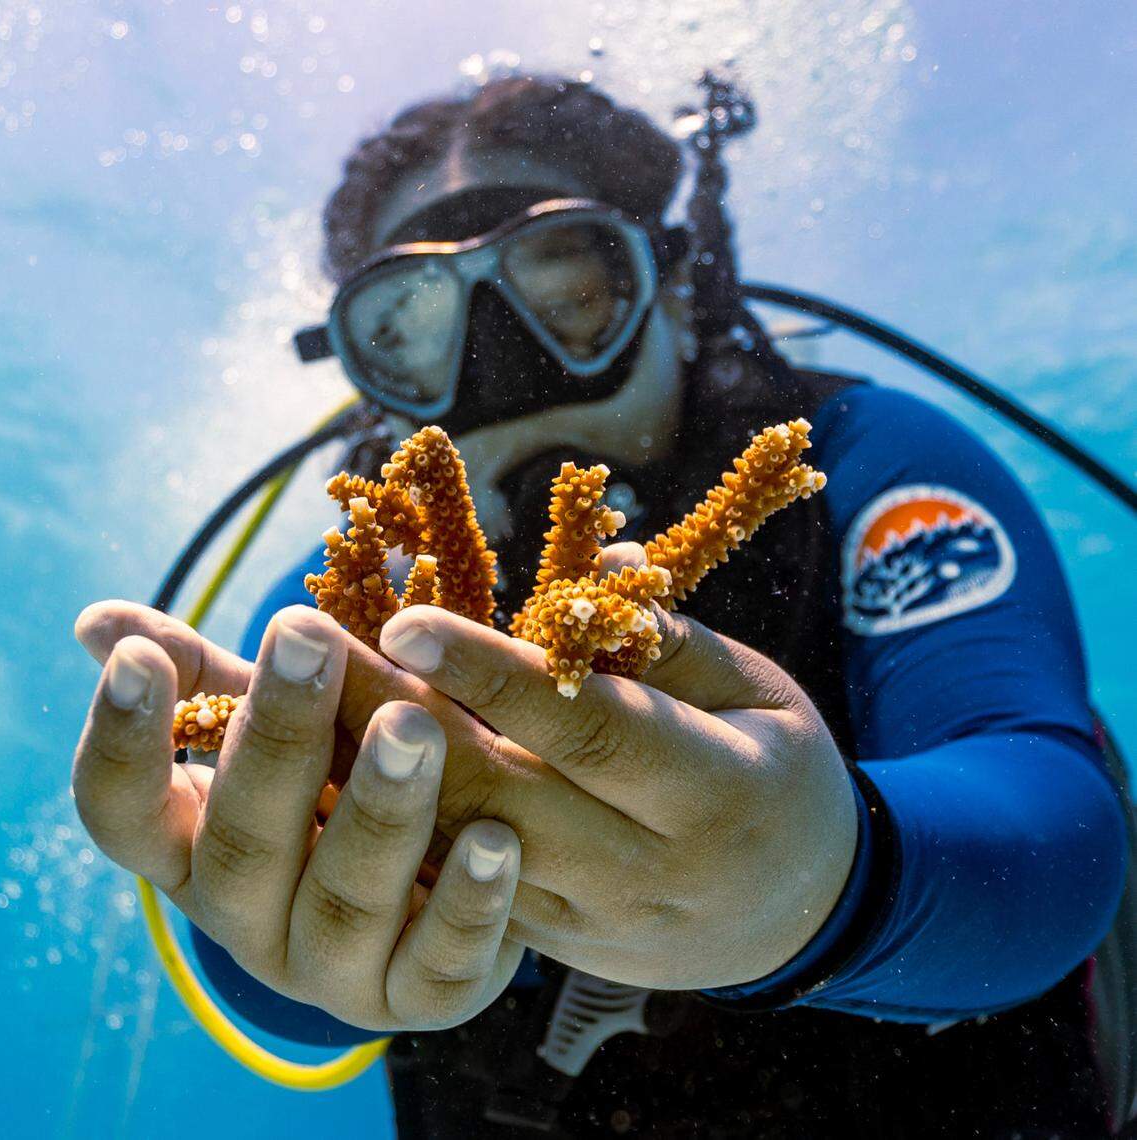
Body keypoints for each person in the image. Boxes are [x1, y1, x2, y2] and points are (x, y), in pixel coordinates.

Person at [71, 75, 1129, 1137]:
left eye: (569, 286)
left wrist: (831, 878)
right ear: (372, 379)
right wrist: (292, 953)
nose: (506, 364)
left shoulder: (852, 462)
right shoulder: (347, 600)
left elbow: (1053, 821)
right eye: (418, 326)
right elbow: (253, 898)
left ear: (673, 291)